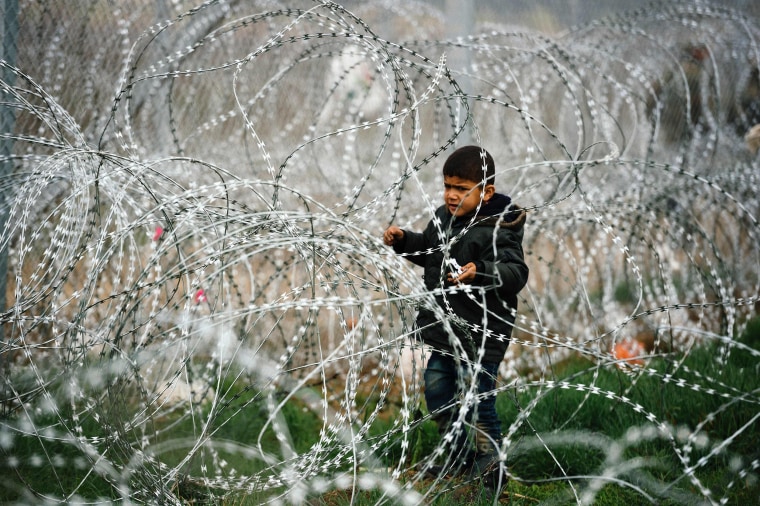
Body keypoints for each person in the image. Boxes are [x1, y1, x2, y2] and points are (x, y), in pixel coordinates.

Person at [383, 145, 529, 496]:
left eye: (462, 189)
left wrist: (480, 272)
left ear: (486, 192)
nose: (451, 195)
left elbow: (516, 271)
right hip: (445, 331)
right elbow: (430, 252)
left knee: (480, 403)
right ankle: (457, 453)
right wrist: (404, 242)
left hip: (482, 334)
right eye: (448, 186)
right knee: (436, 392)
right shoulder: (442, 220)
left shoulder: (498, 228)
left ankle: (490, 470)